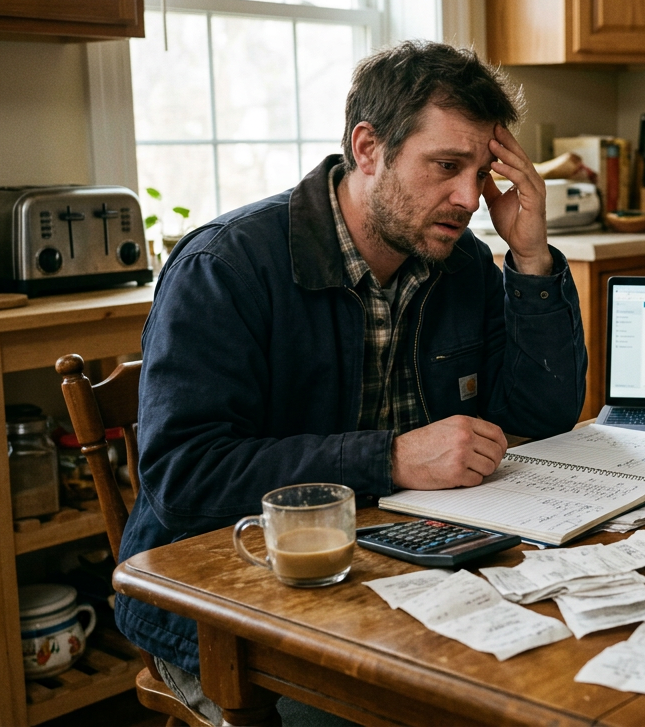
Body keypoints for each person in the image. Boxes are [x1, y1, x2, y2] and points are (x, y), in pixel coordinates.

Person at [115, 41, 587, 722]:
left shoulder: (465, 264)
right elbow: (186, 477)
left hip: (401, 564)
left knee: (550, 682)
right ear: (369, 149)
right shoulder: (224, 267)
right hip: (227, 599)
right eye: (446, 166)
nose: (468, 198)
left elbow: (540, 419)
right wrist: (392, 458)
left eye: (481, 172)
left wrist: (532, 255)